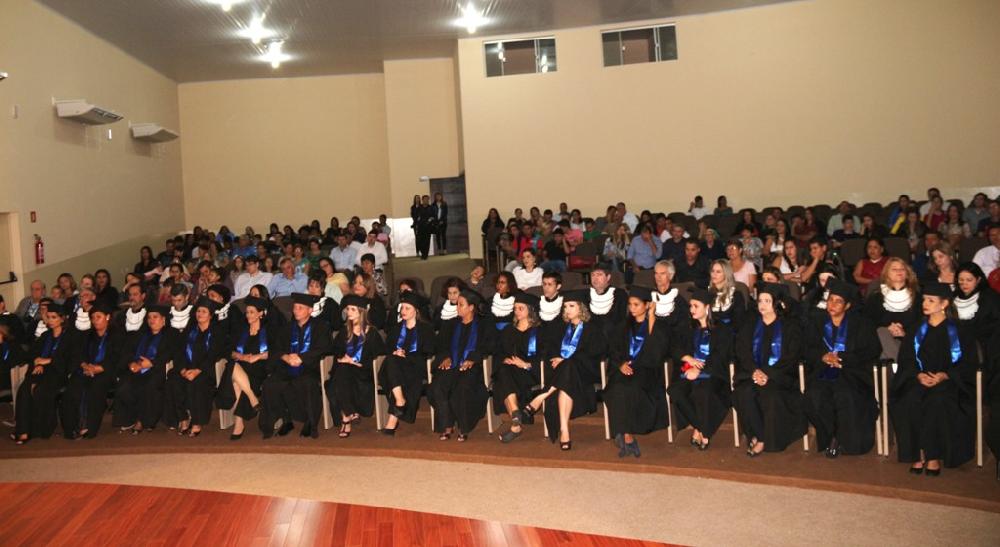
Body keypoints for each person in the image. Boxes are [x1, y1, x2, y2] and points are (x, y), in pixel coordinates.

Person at [891, 282, 977, 475]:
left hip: (950, 381)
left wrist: (946, 375)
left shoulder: (960, 330)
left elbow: (968, 363)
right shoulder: (916, 329)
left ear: (944, 304)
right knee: (910, 399)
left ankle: (933, 455)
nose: (925, 304)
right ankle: (916, 454)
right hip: (918, 379)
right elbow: (906, 359)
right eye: (924, 300)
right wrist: (918, 374)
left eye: (931, 300)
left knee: (937, 401)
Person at [803, 279, 880, 458]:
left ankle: (845, 440)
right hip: (823, 371)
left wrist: (843, 358)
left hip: (852, 373)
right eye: (830, 299)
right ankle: (831, 436)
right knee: (814, 396)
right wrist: (823, 356)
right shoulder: (817, 322)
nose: (832, 304)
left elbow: (872, 350)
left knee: (845, 395)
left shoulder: (861, 324)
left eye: (838, 301)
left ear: (848, 305)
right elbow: (806, 348)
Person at [521, 290, 607, 450]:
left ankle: (541, 396)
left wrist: (567, 360)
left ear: (581, 308)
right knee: (566, 377)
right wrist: (558, 359)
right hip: (563, 375)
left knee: (569, 365)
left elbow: (595, 352)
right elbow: (550, 349)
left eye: (571, 306)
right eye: (565, 306)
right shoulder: (560, 328)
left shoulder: (592, 329)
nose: (567, 310)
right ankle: (564, 430)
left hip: (585, 372)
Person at [733, 283, 805, 456]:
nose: (762, 305)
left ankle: (770, 440)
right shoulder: (750, 324)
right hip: (752, 374)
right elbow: (742, 351)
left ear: (777, 303)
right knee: (744, 393)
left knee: (771, 395)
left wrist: (769, 374)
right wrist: (754, 371)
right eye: (760, 301)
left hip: (780, 376)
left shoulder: (790, 326)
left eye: (767, 301)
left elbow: (791, 356)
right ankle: (760, 436)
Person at [604, 287, 669, 457]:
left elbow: (657, 348)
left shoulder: (658, 325)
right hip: (625, 368)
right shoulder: (623, 326)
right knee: (616, 389)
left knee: (631, 389)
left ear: (647, 305)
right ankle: (627, 436)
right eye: (630, 304)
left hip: (646, 369)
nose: (632, 308)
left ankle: (625, 434)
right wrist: (620, 364)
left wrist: (652, 316)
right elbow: (614, 350)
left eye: (636, 304)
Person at [667, 287, 734, 451]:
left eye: (696, 306)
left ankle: (701, 431)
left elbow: (720, 355)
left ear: (707, 307)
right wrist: (687, 357)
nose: (691, 309)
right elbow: (673, 346)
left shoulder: (721, 329)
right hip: (689, 372)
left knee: (702, 391)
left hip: (713, 374)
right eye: (691, 306)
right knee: (675, 390)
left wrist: (700, 371)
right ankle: (703, 428)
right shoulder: (688, 327)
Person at [261, 292, 332, 439]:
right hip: (287, 367)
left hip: (310, 367)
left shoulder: (321, 327)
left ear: (310, 310)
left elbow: (324, 348)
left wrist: (301, 358)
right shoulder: (287, 328)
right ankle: (285, 419)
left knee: (306, 383)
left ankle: (310, 422)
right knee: (270, 384)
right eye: (294, 307)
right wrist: (286, 357)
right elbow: (276, 348)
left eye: (300, 308)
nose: (296, 311)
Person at [429, 290, 496, 441]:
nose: (457, 307)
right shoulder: (451, 324)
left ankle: (463, 427)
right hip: (452, 365)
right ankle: (446, 425)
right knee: (437, 386)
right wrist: (445, 357)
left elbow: (489, 346)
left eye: (461, 304)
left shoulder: (484, 325)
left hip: (473, 368)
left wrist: (473, 358)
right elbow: (440, 345)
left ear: (471, 307)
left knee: (463, 387)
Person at [13, 302, 77, 444]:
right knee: (24, 389)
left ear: (62, 319)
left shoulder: (70, 337)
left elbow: (69, 359)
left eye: (54, 317)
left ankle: (41, 429)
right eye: (48, 317)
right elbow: (33, 354)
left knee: (41, 390)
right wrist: (38, 362)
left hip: (58, 372)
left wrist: (48, 361)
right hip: (40, 370)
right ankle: (23, 431)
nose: (50, 320)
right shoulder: (45, 336)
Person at [60, 298, 122, 439]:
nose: (95, 320)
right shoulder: (87, 335)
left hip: (106, 371)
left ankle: (88, 427)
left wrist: (100, 368)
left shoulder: (117, 335)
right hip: (86, 370)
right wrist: (84, 365)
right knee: (72, 389)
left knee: (95, 388)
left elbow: (117, 357)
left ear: (107, 317)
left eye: (98, 317)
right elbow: (78, 354)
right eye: (92, 317)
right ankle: (71, 428)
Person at [327, 294, 388, 437]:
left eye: (353, 309)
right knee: (342, 371)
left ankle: (347, 415)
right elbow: (335, 351)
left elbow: (379, 356)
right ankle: (347, 416)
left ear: (362, 312)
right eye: (348, 309)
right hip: (345, 372)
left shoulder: (372, 333)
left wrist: (356, 362)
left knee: (339, 378)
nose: (349, 312)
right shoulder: (344, 332)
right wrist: (343, 358)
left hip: (364, 373)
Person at [165, 298, 225, 437]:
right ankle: (183, 418)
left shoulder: (216, 332)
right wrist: (182, 369)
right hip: (186, 369)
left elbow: (213, 355)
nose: (200, 314)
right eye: (198, 311)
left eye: (204, 311)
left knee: (196, 383)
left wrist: (197, 371)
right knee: (173, 380)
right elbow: (179, 352)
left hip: (206, 370)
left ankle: (197, 421)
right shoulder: (190, 330)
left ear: (211, 315)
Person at [376, 293, 435, 435]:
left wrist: (407, 355)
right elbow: (387, 349)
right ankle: (399, 401)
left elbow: (429, 351)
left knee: (396, 369)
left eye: (407, 308)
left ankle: (395, 414)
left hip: (416, 366)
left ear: (416, 311)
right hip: (396, 366)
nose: (403, 311)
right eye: (402, 308)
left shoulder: (426, 329)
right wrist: (396, 352)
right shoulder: (395, 329)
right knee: (392, 361)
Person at [113, 304, 177, 434]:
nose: (151, 320)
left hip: (157, 369)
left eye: (155, 317)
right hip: (136, 369)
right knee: (124, 387)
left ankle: (142, 420)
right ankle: (131, 417)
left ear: (164, 319)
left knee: (149, 386)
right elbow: (128, 352)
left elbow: (170, 353)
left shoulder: (171, 334)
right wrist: (131, 363)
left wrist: (152, 363)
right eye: (149, 317)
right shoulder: (140, 334)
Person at [215, 297, 272, 440]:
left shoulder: (269, 330)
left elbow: (276, 351)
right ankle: (252, 399)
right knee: (233, 366)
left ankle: (239, 423)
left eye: (252, 312)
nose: (248, 315)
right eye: (247, 312)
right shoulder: (241, 330)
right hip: (241, 365)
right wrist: (241, 356)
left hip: (260, 367)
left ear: (260, 313)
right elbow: (229, 351)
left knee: (235, 380)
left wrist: (257, 357)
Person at [494, 292, 546, 443]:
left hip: (530, 372)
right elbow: (499, 352)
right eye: (515, 308)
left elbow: (545, 356)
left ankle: (515, 422)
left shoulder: (540, 331)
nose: (516, 311)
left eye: (520, 308)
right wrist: (505, 359)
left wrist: (526, 364)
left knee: (503, 380)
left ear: (530, 310)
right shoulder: (508, 330)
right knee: (503, 371)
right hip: (510, 371)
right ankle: (516, 416)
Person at [864, 257, 921, 364]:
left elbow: (921, 323)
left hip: (909, 342)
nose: (899, 271)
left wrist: (904, 333)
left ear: (907, 273)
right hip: (880, 342)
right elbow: (867, 323)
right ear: (886, 273)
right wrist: (887, 329)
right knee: (882, 333)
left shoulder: (918, 297)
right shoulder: (876, 297)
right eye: (894, 269)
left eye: (902, 269)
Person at [587, 263, 627, 338]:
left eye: (599, 275)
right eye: (592, 275)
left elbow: (620, 320)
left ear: (608, 277)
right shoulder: (586, 294)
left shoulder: (619, 294)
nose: (595, 279)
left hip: (612, 336)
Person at [708, 259, 746, 331]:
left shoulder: (736, 296)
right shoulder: (708, 294)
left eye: (718, 272)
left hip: (729, 333)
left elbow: (739, 323)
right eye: (712, 271)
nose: (714, 274)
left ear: (726, 274)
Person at [415, 194, 435, 260]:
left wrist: (430, 220)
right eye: (424, 199)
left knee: (427, 241)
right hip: (420, 227)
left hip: (428, 226)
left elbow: (433, 216)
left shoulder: (431, 208)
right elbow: (416, 216)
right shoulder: (419, 208)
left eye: (427, 199)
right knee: (420, 241)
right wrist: (417, 220)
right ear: (422, 200)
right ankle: (423, 252)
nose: (426, 201)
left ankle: (425, 255)